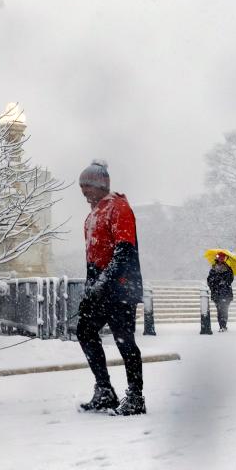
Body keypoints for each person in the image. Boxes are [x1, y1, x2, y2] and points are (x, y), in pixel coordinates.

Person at [76, 159, 145, 416]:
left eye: (88, 190)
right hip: (100, 286)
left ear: (101, 185)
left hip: (122, 286)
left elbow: (124, 252)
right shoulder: (91, 217)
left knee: (124, 340)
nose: (85, 196)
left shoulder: (119, 208)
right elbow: (92, 258)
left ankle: (135, 396)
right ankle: (104, 390)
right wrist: (90, 288)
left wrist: (103, 283)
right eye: (82, 192)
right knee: (84, 331)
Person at [207, 252, 235, 332]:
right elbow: (209, 280)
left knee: (224, 309)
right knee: (219, 310)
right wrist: (216, 283)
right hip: (217, 293)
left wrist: (224, 281)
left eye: (223, 257)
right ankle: (221, 326)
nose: (221, 259)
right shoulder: (213, 269)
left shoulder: (228, 268)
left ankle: (223, 325)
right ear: (217, 258)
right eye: (220, 257)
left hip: (226, 293)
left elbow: (230, 279)